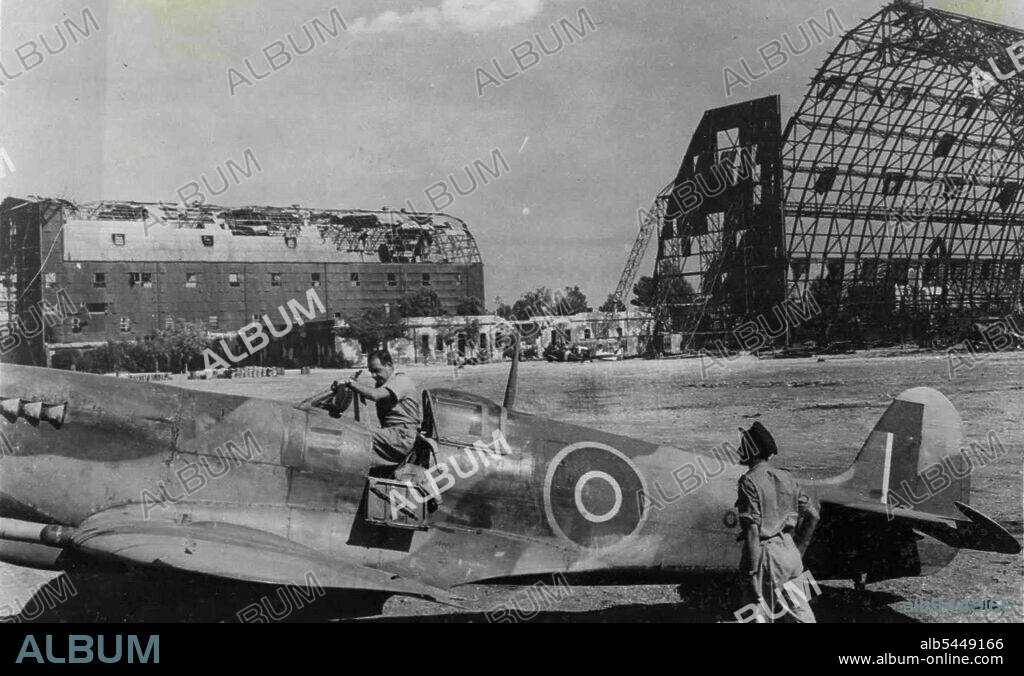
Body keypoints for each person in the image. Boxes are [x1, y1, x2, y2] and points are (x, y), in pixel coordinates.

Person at [734, 421, 819, 623]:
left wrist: (753, 573)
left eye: (742, 446)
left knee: (757, 617)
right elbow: (813, 515)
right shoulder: (787, 477)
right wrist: (800, 548)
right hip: (791, 555)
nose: (738, 450)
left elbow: (753, 531)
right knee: (803, 616)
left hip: (766, 559)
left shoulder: (748, 481)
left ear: (752, 450)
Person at [343, 350, 421, 468]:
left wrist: (351, 383)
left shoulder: (401, 380)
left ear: (389, 365)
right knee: (354, 432)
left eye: (376, 371)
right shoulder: (383, 384)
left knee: (357, 434)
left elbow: (375, 395)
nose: (373, 376)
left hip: (402, 437)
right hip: (392, 435)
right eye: (371, 372)